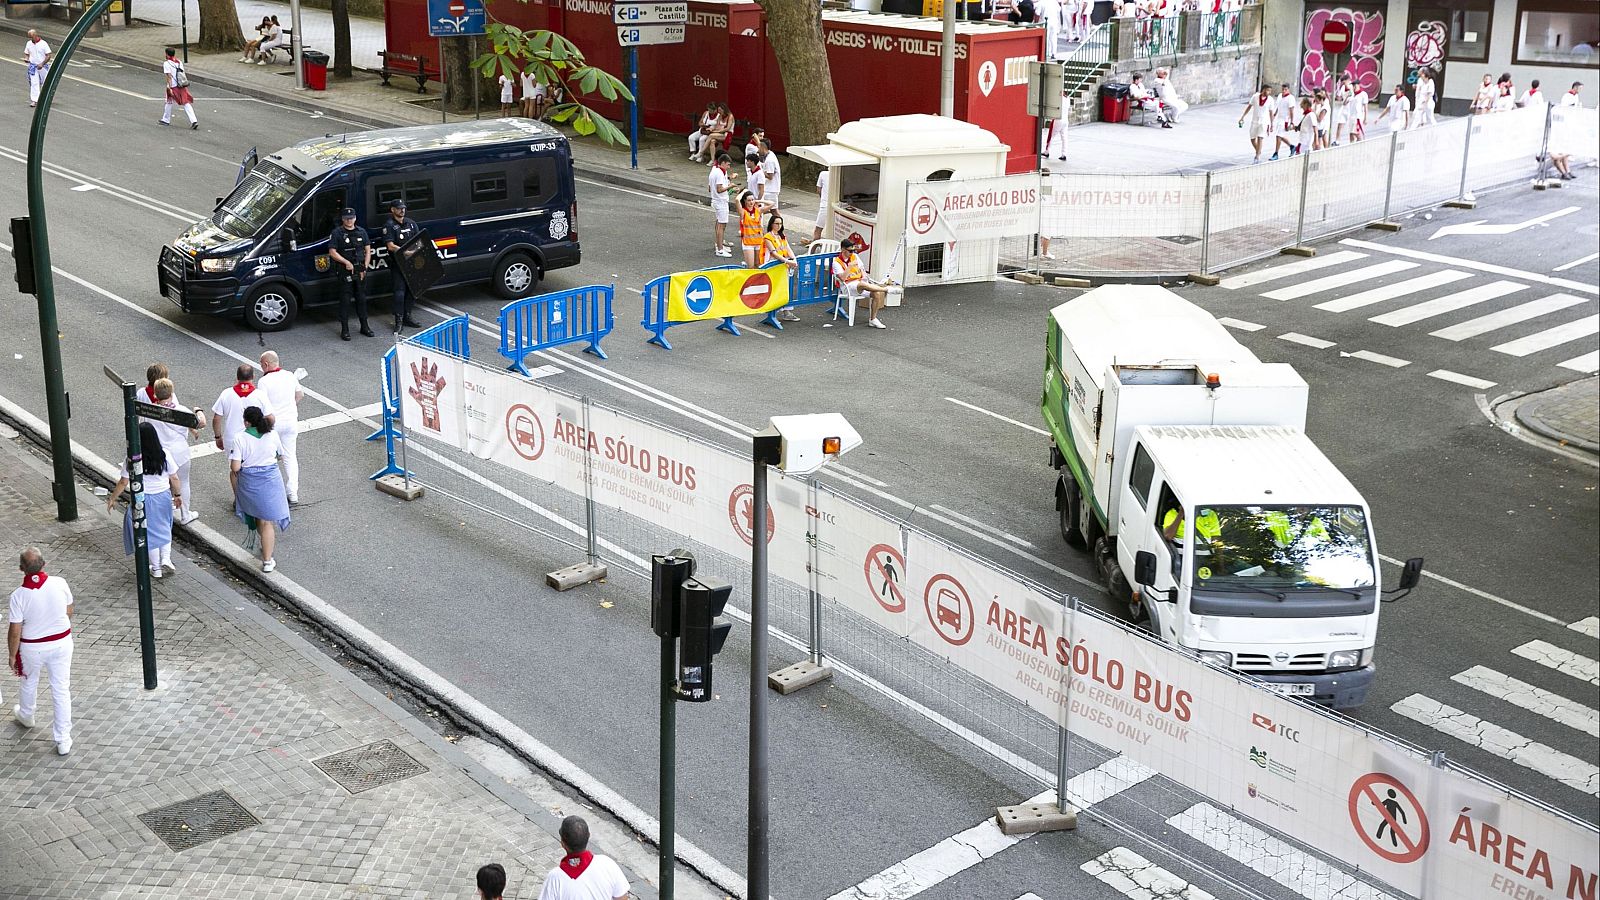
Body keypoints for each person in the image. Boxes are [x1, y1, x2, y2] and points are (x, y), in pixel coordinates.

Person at [9, 547, 74, 756]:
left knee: (29, 681)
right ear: (44, 564)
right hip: (61, 642)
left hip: (32, 647)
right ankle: (63, 738)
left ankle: (27, 715)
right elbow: (69, 609)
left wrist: (12, 655)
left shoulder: (18, 596)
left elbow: (15, 630)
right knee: (61, 689)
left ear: (21, 569)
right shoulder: (60, 583)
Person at [106, 422, 183, 579]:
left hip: (142, 498)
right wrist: (177, 495)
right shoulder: (164, 454)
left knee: (148, 533)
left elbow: (123, 482)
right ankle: (166, 558)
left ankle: (156, 568)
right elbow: (174, 477)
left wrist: (113, 498)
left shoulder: (132, 459)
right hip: (163, 496)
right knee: (164, 526)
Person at [142, 365, 205, 525]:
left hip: (161, 453)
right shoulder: (181, 410)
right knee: (183, 482)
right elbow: (201, 423)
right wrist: (198, 411)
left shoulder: (150, 411)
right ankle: (185, 514)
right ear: (171, 393)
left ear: (155, 394)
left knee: (165, 484)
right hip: (180, 453)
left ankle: (168, 511)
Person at [230, 406, 290, 573]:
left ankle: (266, 552)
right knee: (267, 521)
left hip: (250, 482)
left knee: (258, 516)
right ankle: (268, 560)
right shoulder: (273, 434)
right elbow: (280, 455)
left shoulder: (240, 438)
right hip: (271, 479)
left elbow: (235, 467)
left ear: (247, 422)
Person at [536, 816, 629, 900]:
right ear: (589, 836)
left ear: (563, 844)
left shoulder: (554, 878)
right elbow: (622, 897)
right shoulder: (607, 864)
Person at [257, 351, 303, 504]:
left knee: (270, 457)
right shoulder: (290, 375)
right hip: (290, 421)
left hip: (273, 424)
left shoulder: (264, 382)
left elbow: (262, 404)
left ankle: (272, 492)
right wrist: (291, 405)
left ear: (266, 364)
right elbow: (300, 394)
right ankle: (293, 492)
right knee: (290, 456)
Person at [329, 208, 374, 340]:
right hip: (345, 270)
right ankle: (345, 329)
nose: (349, 220)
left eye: (352, 218)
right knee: (345, 301)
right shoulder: (337, 233)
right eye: (347, 218)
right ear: (343, 219)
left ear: (355, 218)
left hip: (359, 269)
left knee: (361, 299)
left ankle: (364, 326)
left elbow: (367, 250)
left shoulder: (361, 231)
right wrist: (345, 262)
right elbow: (332, 251)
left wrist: (365, 267)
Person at [212, 364, 275, 456]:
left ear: (237, 377)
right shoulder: (260, 395)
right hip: (254, 438)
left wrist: (218, 437)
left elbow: (216, 419)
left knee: (234, 467)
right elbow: (270, 418)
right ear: (253, 376)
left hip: (231, 439)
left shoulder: (226, 394)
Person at [382, 199, 422, 333]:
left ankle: (407, 317)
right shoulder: (389, 225)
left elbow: (419, 240)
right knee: (399, 293)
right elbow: (390, 245)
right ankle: (398, 321)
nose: (402, 210)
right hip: (398, 264)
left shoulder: (411, 223)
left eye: (403, 208)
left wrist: (415, 251)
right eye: (399, 208)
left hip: (412, 263)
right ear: (392, 210)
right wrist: (405, 251)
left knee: (412, 291)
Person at [833, 238, 888, 329]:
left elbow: (862, 270)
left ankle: (873, 319)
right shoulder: (836, 263)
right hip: (848, 287)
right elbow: (842, 278)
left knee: (876, 294)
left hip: (859, 283)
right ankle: (886, 289)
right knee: (862, 285)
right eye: (850, 251)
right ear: (843, 250)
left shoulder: (854, 256)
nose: (852, 253)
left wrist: (864, 277)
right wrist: (849, 267)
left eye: (854, 250)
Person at [761, 212, 801, 321]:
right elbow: (773, 253)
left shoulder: (782, 236)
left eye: (780, 224)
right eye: (777, 223)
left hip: (783, 266)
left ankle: (786, 312)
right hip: (774, 266)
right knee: (775, 289)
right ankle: (772, 313)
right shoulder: (768, 237)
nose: (779, 226)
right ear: (772, 224)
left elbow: (788, 248)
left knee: (785, 288)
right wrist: (788, 261)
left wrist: (793, 259)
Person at [159, 47, 199, 130]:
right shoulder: (179, 62)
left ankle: (166, 119)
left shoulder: (167, 64)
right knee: (185, 103)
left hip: (173, 86)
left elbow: (169, 76)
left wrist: (169, 87)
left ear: (166, 54)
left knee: (169, 102)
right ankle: (194, 120)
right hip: (181, 85)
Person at [1239, 84, 1272, 163]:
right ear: (1263, 90)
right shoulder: (1255, 97)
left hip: (1264, 122)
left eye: (1270, 91)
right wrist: (1242, 117)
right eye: (1268, 90)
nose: (1269, 92)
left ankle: (1257, 156)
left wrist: (1272, 124)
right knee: (1252, 138)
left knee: (1260, 137)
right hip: (1255, 121)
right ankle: (1258, 150)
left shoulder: (1270, 100)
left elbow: (1271, 112)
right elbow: (1249, 107)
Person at [708, 152, 733, 257]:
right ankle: (720, 249)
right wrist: (730, 186)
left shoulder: (717, 171)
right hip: (720, 201)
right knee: (721, 226)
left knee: (720, 224)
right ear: (722, 163)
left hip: (718, 201)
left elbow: (711, 188)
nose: (729, 166)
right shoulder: (719, 173)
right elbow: (719, 189)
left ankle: (719, 245)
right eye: (728, 164)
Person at [23, 30, 50, 108]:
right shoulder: (29, 43)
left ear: (35, 35)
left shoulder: (43, 44)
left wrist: (42, 63)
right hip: (33, 66)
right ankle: (34, 100)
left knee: (46, 82)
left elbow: (48, 55)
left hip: (43, 66)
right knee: (34, 83)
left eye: (32, 37)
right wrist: (26, 58)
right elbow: (27, 53)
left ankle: (46, 98)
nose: (31, 39)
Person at [737, 190, 764, 268]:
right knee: (751, 267)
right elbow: (737, 200)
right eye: (749, 200)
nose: (751, 202)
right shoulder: (743, 212)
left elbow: (772, 204)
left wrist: (759, 200)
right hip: (748, 242)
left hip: (758, 241)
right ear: (745, 201)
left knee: (758, 265)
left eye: (752, 200)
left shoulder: (758, 210)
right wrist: (743, 192)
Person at [1270, 83, 1296, 160]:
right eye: (1283, 89)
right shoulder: (1279, 96)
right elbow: (1278, 107)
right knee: (1280, 135)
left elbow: (1292, 111)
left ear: (1288, 89)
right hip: (1279, 118)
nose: (1284, 91)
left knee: (1278, 136)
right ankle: (1292, 146)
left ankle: (1276, 153)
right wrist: (1274, 115)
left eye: (1286, 89)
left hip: (1285, 120)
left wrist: (1292, 122)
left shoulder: (1291, 98)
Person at [1330, 73, 1352, 144]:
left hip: (1351, 109)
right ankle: (1337, 141)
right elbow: (1339, 97)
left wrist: (1345, 100)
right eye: (1342, 82)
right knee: (1340, 124)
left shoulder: (1352, 87)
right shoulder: (1342, 88)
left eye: (1344, 81)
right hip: (1344, 108)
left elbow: (1350, 98)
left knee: (1352, 127)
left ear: (1348, 80)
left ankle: (1353, 142)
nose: (1343, 83)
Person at [759, 140, 782, 210]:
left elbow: (770, 176)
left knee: (773, 210)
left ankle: (778, 220)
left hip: (771, 190)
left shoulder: (769, 160)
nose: (758, 149)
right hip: (770, 188)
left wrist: (760, 171)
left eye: (759, 147)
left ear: (763, 147)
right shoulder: (771, 154)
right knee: (769, 209)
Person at [813, 168, 830, 244]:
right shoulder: (841, 175)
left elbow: (818, 190)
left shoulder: (823, 174)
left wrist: (823, 199)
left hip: (825, 205)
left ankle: (813, 252)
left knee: (818, 230)